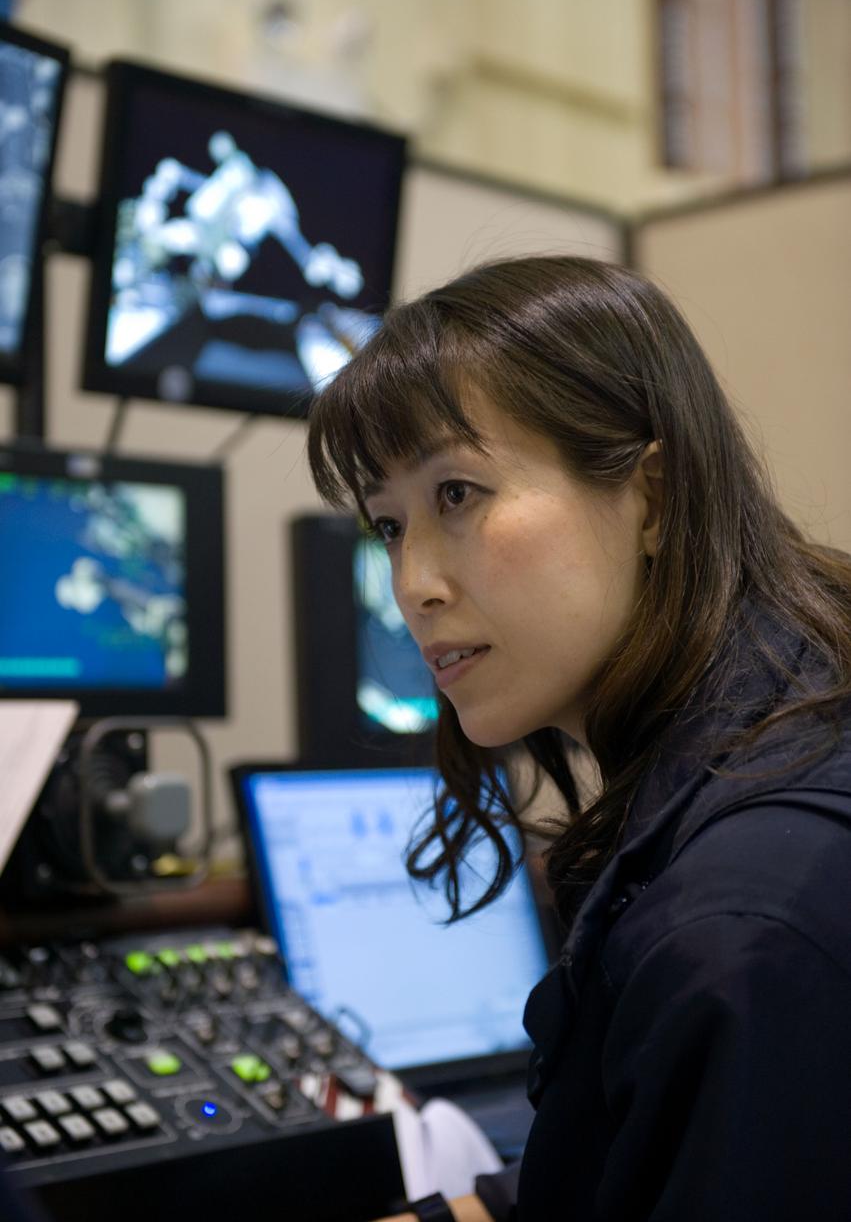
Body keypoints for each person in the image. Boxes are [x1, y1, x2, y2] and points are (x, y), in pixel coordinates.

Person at [306, 255, 851, 1222]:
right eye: (388, 527)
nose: (413, 585)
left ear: (654, 494)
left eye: (457, 495)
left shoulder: (736, 935)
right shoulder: (796, 719)